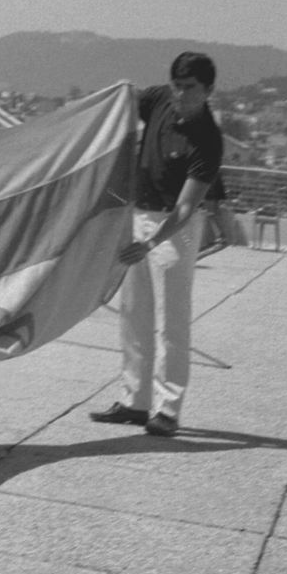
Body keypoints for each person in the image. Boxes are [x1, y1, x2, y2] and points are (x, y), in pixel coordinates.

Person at [90, 51, 223, 437]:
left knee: (171, 323)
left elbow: (185, 207)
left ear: (208, 90)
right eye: (176, 86)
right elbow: (123, 100)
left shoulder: (208, 140)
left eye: (189, 89)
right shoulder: (159, 99)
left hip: (173, 230)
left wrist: (149, 244)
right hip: (139, 215)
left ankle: (167, 410)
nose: (179, 95)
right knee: (134, 315)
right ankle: (135, 401)